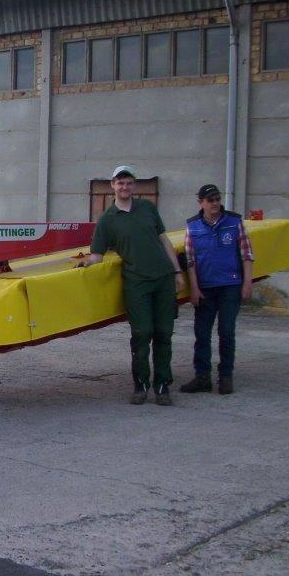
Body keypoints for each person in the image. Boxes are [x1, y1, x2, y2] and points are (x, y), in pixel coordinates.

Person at [77, 166, 186, 406]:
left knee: (164, 333)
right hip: (137, 283)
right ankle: (140, 385)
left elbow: (164, 240)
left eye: (128, 183)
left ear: (134, 185)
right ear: (112, 186)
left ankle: (162, 386)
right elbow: (97, 255)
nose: (124, 187)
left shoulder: (147, 208)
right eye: (120, 183)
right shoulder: (107, 220)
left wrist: (177, 271)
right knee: (141, 333)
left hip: (163, 278)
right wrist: (86, 262)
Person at [179, 184, 255, 395]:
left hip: (230, 286)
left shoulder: (234, 222)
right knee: (202, 334)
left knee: (226, 332)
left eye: (217, 199)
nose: (215, 203)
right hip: (205, 288)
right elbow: (190, 261)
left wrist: (247, 283)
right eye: (210, 200)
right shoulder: (192, 226)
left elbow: (247, 255)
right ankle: (202, 377)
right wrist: (194, 288)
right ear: (201, 203)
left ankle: (226, 377)